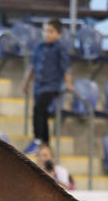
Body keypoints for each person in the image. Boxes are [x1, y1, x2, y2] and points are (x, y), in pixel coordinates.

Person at [21, 18, 73, 155]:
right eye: (45, 31)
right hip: (39, 86)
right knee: (42, 114)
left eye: (51, 31)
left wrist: (68, 83)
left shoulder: (60, 48)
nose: (47, 34)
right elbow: (32, 66)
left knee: (38, 109)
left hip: (51, 86)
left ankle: (37, 139)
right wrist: (26, 83)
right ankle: (46, 143)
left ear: (58, 34)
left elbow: (66, 68)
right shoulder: (39, 47)